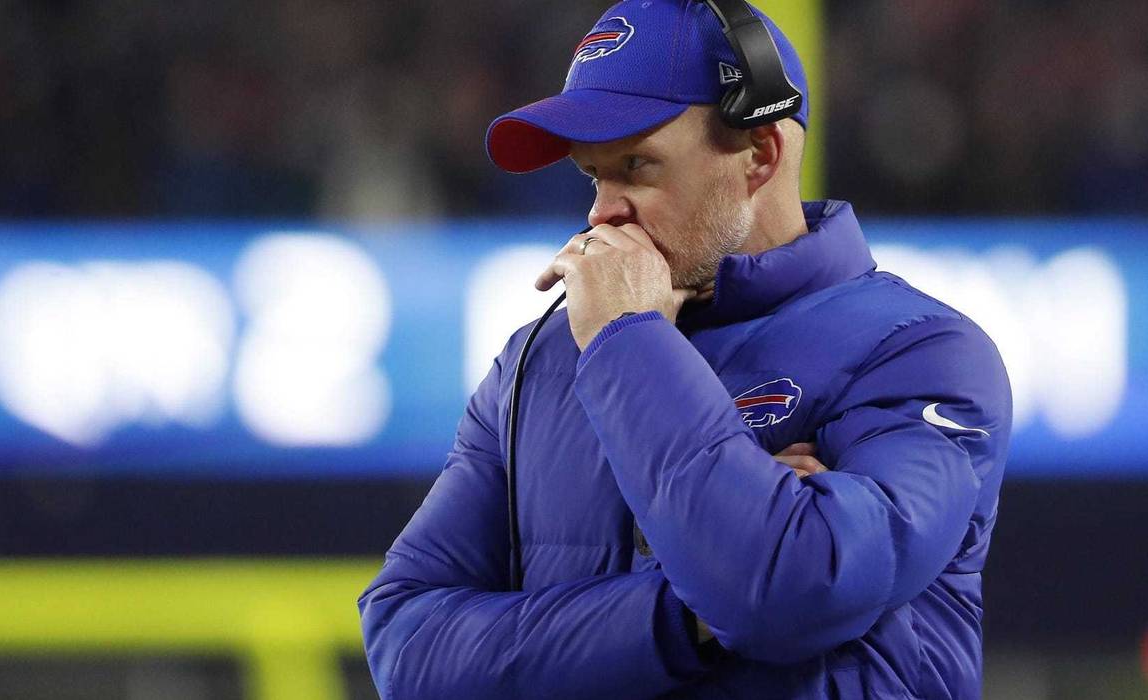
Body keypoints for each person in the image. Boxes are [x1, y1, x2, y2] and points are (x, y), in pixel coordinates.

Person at [358, 1, 1011, 698]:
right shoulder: (536, 361)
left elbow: (787, 594)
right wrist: (687, 610)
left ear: (759, 155)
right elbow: (406, 647)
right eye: (593, 174)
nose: (602, 212)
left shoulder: (922, 353)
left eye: (637, 166)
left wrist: (626, 344)